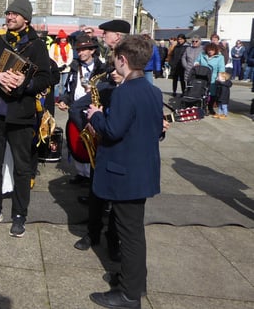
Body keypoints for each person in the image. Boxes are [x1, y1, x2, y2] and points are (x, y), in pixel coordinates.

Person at [86, 34, 163, 309]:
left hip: (125, 173)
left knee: (128, 234)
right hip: (142, 171)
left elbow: (112, 130)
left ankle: (129, 295)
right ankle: (135, 281)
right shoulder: (153, 90)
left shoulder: (124, 92)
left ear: (123, 60)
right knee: (133, 232)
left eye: (115, 58)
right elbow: (155, 130)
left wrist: (95, 114)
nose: (114, 63)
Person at [0, 0, 51, 237]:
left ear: (26, 18)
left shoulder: (37, 46)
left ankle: (19, 215)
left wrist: (24, 83)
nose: (10, 17)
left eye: (15, 14)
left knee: (22, 168)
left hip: (22, 114)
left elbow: (47, 77)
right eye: (8, 13)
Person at [72, 19, 130, 260]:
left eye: (105, 33)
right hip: (104, 112)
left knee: (117, 197)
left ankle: (113, 240)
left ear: (117, 35)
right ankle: (93, 232)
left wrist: (122, 80)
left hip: (120, 120)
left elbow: (142, 85)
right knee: (96, 188)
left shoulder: (132, 52)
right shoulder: (110, 54)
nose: (101, 36)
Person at [57, 34, 107, 184]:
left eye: (84, 49)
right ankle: (81, 174)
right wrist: (64, 101)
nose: (80, 53)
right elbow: (68, 89)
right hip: (75, 110)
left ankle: (92, 175)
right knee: (76, 142)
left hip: (92, 110)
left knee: (92, 144)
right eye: (78, 50)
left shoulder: (102, 69)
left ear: (92, 50)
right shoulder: (74, 67)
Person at [195, 42, 225, 115]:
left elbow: (221, 68)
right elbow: (196, 61)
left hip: (213, 78)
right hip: (202, 76)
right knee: (202, 93)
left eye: (212, 50)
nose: (210, 51)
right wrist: (196, 64)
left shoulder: (220, 57)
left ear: (215, 50)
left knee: (212, 94)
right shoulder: (202, 55)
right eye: (208, 50)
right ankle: (202, 108)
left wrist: (220, 78)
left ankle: (210, 107)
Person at [49, 29, 72, 101]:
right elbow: (51, 56)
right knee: (56, 84)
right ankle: (56, 98)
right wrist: (56, 66)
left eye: (65, 38)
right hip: (56, 68)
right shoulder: (54, 46)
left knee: (64, 84)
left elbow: (70, 57)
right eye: (62, 38)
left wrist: (65, 65)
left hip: (66, 68)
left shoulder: (68, 46)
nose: (64, 39)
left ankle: (63, 98)